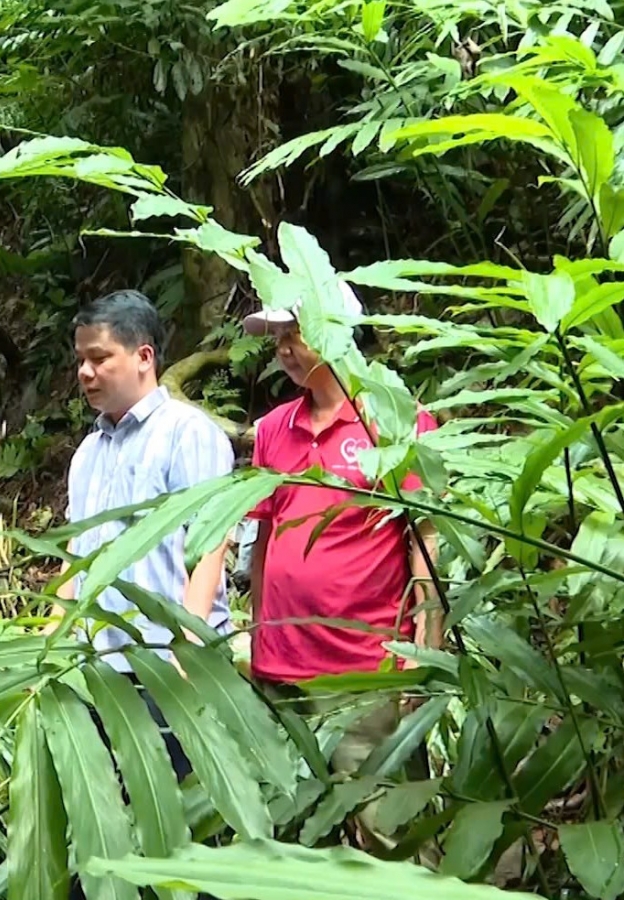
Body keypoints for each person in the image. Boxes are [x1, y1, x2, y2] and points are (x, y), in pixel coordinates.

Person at [240, 281, 440, 850]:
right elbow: (264, 540)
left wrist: (425, 656)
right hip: (284, 669)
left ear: (337, 332)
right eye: (276, 335)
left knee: (390, 834)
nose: (281, 347)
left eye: (293, 332)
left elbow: (422, 546)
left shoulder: (394, 417)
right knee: (300, 836)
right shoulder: (273, 429)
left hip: (365, 671)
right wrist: (258, 638)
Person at [52, 289, 236, 787]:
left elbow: (211, 540)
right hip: (100, 665)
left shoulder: (188, 433)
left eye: (99, 358)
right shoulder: (88, 451)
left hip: (168, 660)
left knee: (180, 811)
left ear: (144, 357)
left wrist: (188, 643)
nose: (86, 373)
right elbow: (78, 548)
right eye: (80, 361)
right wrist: (52, 635)